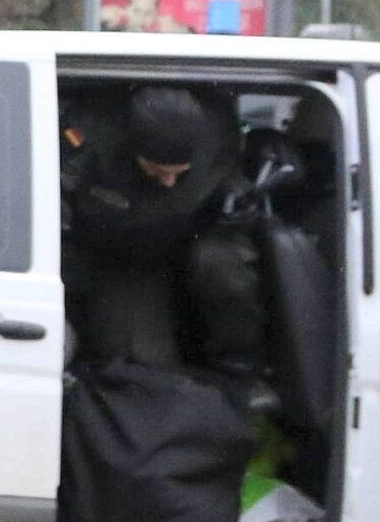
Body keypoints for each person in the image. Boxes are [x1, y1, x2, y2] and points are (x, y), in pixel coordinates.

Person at [60, 84, 261, 376]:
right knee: (140, 364)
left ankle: (236, 366)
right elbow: (57, 194)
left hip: (190, 242)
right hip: (118, 257)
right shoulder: (88, 139)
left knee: (223, 264)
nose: (168, 183)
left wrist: (236, 197)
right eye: (158, 171)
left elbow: (229, 176)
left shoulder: (216, 136)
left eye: (179, 173)